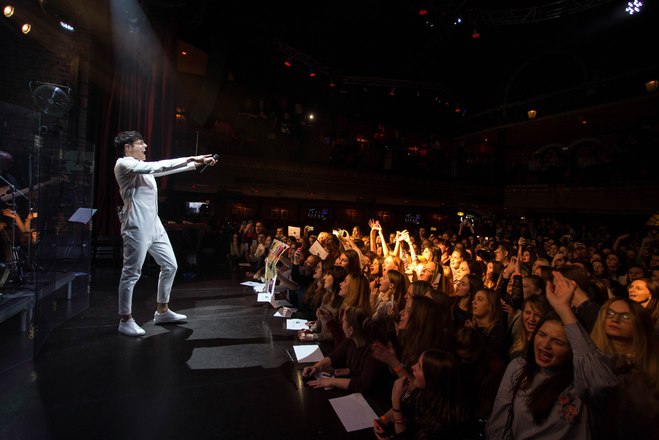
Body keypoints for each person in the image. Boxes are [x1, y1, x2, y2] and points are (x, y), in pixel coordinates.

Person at [486, 271, 618, 439]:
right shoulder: (519, 367)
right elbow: (499, 419)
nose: (545, 345)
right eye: (542, 335)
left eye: (558, 342)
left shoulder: (579, 381)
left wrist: (564, 311)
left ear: (572, 350)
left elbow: (602, 382)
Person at [113, 130, 217, 336]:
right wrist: (192, 157)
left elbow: (164, 170)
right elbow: (158, 166)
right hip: (136, 226)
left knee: (170, 265)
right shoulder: (123, 164)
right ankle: (125, 319)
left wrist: (197, 164)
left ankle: (162, 310)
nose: (145, 147)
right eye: (140, 143)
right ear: (127, 148)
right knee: (131, 273)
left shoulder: (143, 169)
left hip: (154, 225)